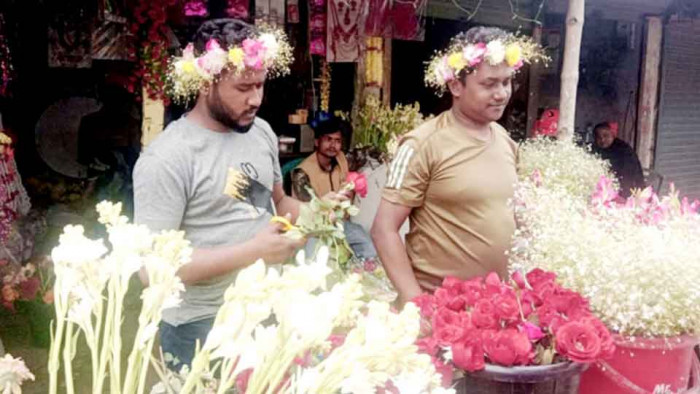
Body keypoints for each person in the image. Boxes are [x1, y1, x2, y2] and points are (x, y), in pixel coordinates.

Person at [133, 19, 338, 369]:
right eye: (243, 87)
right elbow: (153, 269)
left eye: (260, 85)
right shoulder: (167, 158)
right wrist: (254, 251)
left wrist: (318, 212)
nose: (256, 99)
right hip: (198, 325)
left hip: (264, 309)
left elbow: (270, 203)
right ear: (204, 82)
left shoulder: (259, 134)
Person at [371, 26, 546, 306]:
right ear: (455, 86)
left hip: (495, 308)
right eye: (489, 84)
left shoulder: (505, 142)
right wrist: (417, 303)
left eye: (506, 82)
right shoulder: (422, 144)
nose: (501, 94)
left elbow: (515, 216)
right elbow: (384, 229)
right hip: (439, 310)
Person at [291, 118, 377, 259]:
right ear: (317, 142)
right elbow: (308, 210)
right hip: (316, 229)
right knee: (313, 260)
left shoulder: (341, 159)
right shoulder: (302, 173)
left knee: (368, 248)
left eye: (337, 141)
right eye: (328, 139)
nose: (333, 145)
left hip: (341, 224)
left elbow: (367, 152)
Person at [593, 121, 645, 198]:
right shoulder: (597, 149)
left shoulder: (623, 150)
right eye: (598, 137)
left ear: (613, 136)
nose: (602, 140)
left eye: (606, 136)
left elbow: (628, 177)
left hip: (628, 190)